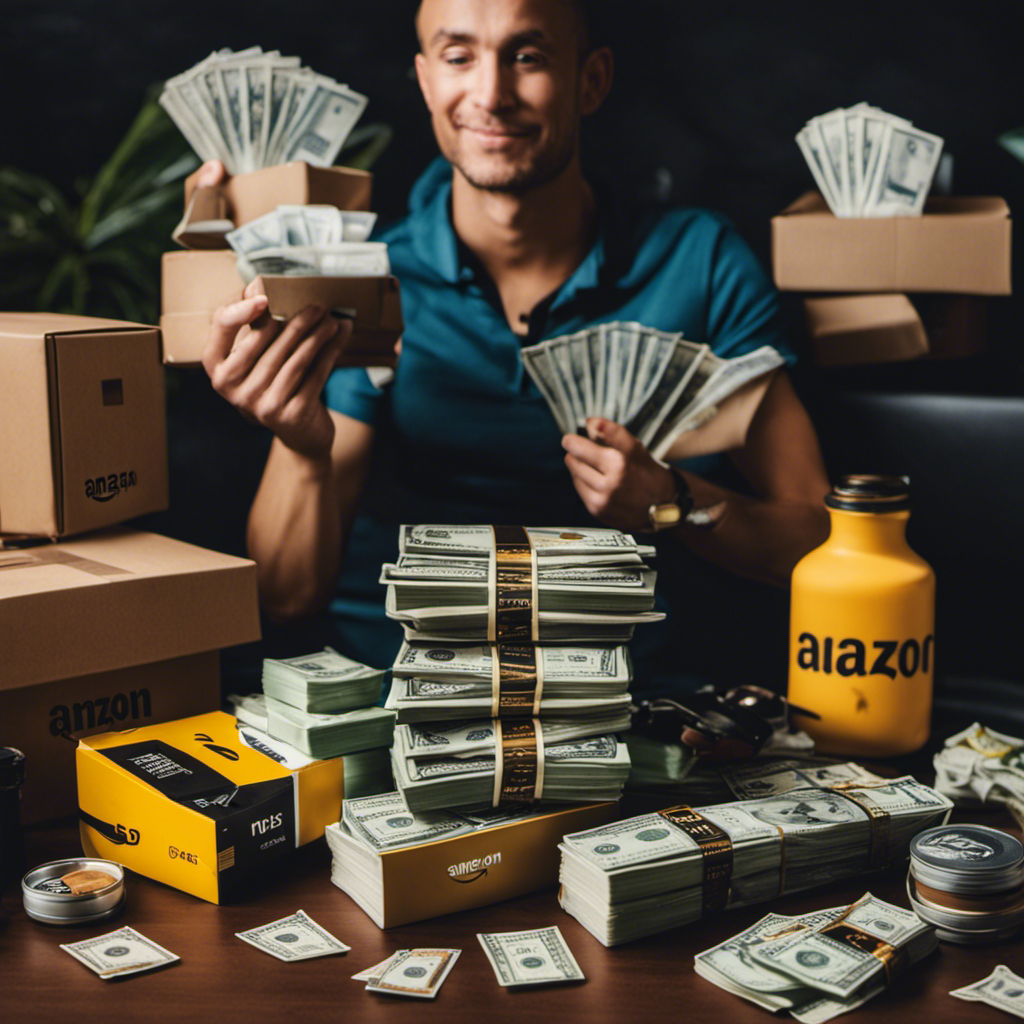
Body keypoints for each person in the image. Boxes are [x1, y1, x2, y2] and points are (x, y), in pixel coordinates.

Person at [201, 0, 830, 699]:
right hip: (398, 697)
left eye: (527, 56)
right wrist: (301, 444)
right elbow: (286, 600)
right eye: (459, 56)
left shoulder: (699, 262)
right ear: (425, 79)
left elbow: (813, 541)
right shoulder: (375, 276)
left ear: (590, 81)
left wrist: (671, 500)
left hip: (621, 705)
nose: (491, 95)